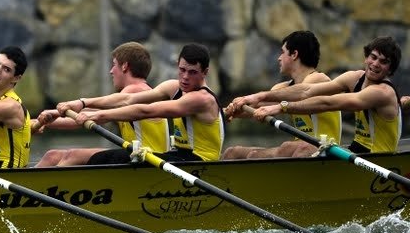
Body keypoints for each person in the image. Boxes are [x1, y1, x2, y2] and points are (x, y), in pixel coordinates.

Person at [228, 36, 403, 154]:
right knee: (232, 152)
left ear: (390, 69)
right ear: (366, 57)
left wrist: (282, 107)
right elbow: (306, 91)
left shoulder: (382, 93)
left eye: (384, 62)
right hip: (355, 151)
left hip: (378, 160)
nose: (375, 64)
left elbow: (329, 103)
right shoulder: (354, 78)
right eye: (373, 57)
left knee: (292, 147)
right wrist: (258, 97)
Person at [72, 43, 224, 164]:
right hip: (179, 156)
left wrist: (97, 115)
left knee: (118, 158)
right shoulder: (173, 87)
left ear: (205, 72)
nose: (185, 77)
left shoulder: (202, 99)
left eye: (192, 72)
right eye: (182, 70)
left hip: (201, 163)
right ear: (177, 64)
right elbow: (128, 100)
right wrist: (83, 103)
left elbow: (146, 111)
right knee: (115, 157)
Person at [33, 42, 170, 167]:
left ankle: (54, 191)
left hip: (150, 160)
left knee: (72, 156)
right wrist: (41, 121)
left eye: (114, 64)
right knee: (52, 156)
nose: (111, 71)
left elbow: (83, 119)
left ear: (124, 66)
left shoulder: (135, 90)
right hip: (133, 154)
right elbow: (86, 113)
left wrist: (48, 119)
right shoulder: (136, 92)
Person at [222, 31, 342, 159]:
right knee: (232, 152)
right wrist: (231, 111)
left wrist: (257, 96)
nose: (279, 58)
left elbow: (301, 91)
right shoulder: (282, 88)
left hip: (325, 149)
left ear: (294, 54)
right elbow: (258, 107)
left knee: (285, 148)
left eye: (283, 52)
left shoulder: (320, 80)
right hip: (297, 148)